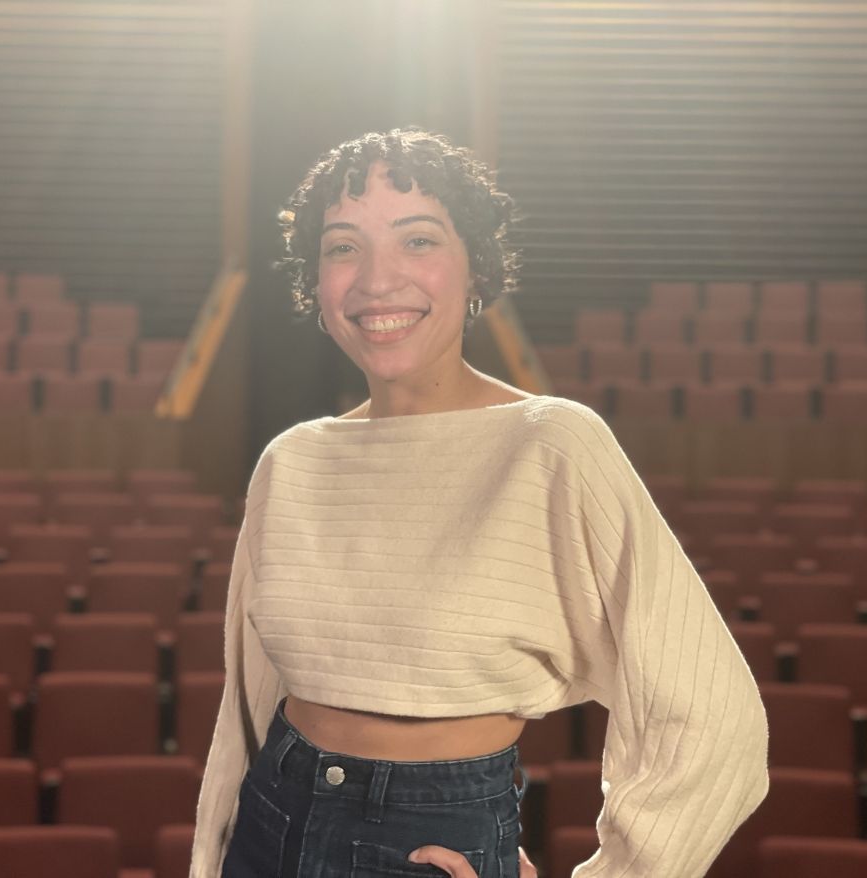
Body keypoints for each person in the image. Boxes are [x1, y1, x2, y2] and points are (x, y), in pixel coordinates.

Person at [189, 128, 769, 878]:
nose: (376, 280)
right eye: (343, 248)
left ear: (476, 269)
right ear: (317, 283)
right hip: (268, 825)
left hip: (426, 843)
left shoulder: (553, 443)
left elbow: (715, 718)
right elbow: (246, 711)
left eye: (418, 240)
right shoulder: (291, 460)